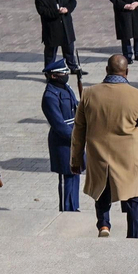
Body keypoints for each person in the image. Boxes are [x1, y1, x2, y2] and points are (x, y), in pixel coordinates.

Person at [71, 54, 138, 239]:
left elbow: (78, 130)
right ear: (127, 71)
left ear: (106, 70)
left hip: (99, 155)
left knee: (102, 189)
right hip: (128, 157)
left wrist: (76, 159)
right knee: (134, 195)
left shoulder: (89, 93)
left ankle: (104, 225)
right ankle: (133, 235)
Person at [41, 59, 80, 211]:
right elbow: (58, 124)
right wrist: (77, 138)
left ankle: (74, 207)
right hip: (63, 141)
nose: (65, 75)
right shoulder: (50, 96)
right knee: (66, 178)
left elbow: (75, 105)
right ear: (53, 76)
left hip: (73, 135)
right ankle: (66, 209)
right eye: (62, 73)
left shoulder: (65, 88)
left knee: (75, 174)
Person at [35, 0, 82, 74]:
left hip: (65, 26)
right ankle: (49, 72)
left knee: (69, 49)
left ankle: (73, 67)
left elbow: (72, 1)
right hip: (52, 28)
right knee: (50, 53)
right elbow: (42, 11)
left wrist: (67, 9)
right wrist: (57, 12)